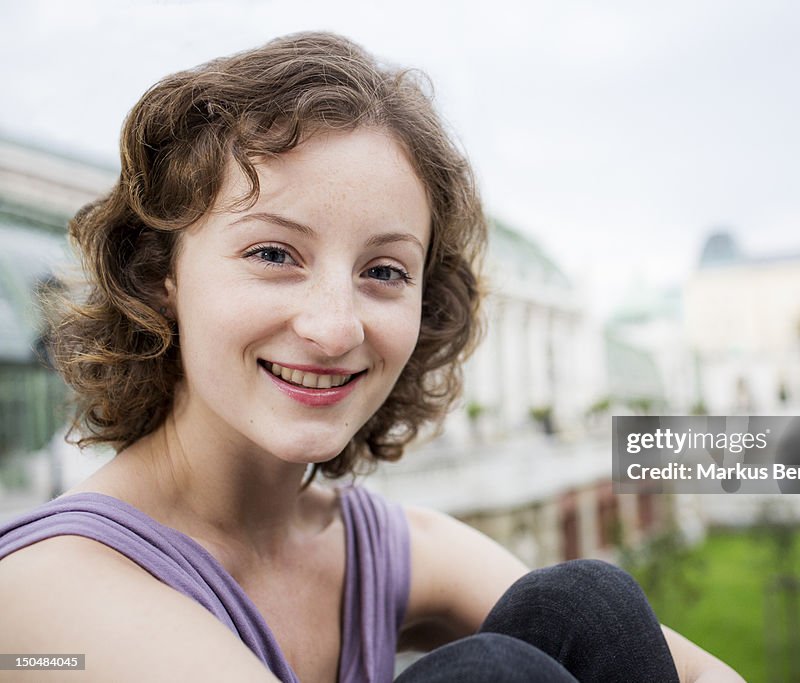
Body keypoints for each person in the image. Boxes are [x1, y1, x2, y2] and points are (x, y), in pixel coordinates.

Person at [0, 33, 743, 683]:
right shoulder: (51, 587)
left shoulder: (371, 545)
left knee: (590, 603)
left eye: (384, 271)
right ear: (160, 275)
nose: (334, 328)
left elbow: (706, 670)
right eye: (272, 253)